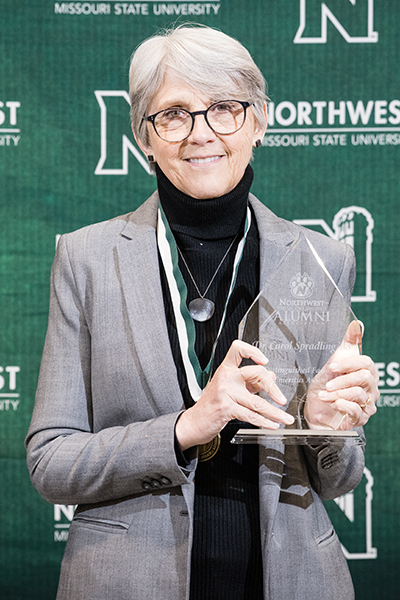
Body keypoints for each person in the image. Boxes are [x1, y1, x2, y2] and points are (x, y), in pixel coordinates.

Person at [26, 25, 379, 600]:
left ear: (258, 122)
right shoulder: (85, 259)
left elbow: (338, 477)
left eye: (224, 109)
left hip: (288, 580)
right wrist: (184, 428)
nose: (202, 133)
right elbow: (51, 459)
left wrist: (323, 426)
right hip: (127, 581)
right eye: (174, 114)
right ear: (145, 135)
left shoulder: (322, 259)